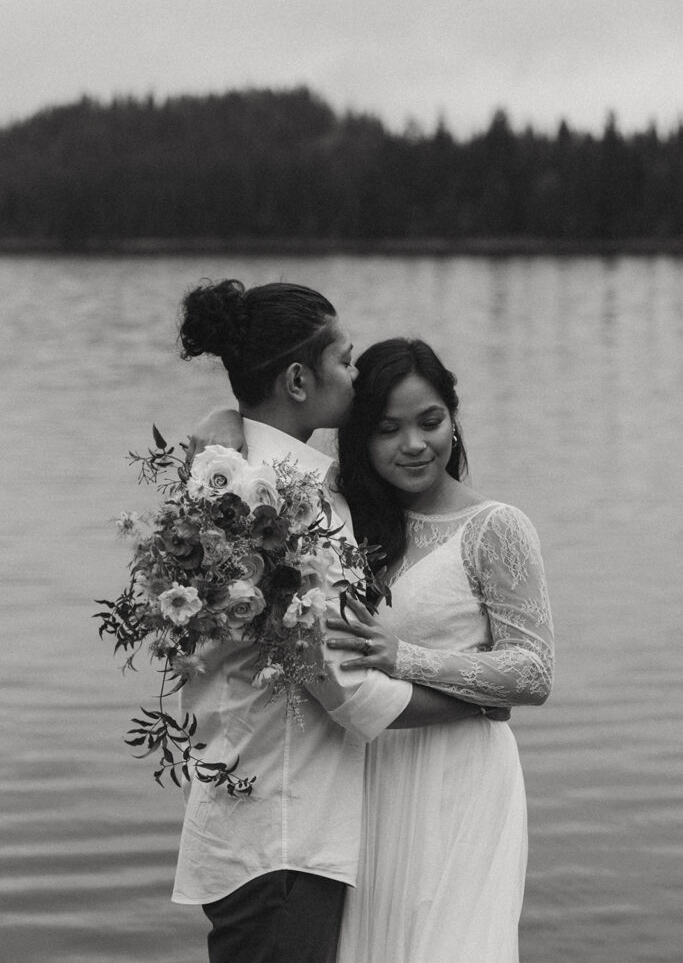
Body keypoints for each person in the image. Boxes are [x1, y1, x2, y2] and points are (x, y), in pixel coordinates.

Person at [173, 280, 501, 963]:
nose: (355, 378)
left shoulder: (226, 473)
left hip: (255, 827)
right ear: (298, 379)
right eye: (345, 361)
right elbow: (350, 690)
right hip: (283, 838)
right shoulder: (288, 508)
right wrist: (475, 700)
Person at [324, 337, 554, 963]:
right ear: (360, 437)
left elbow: (532, 673)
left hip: (460, 780)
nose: (415, 445)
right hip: (368, 773)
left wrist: (406, 657)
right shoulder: (343, 517)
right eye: (388, 429)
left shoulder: (494, 526)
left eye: (431, 422)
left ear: (454, 418)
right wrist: (225, 426)